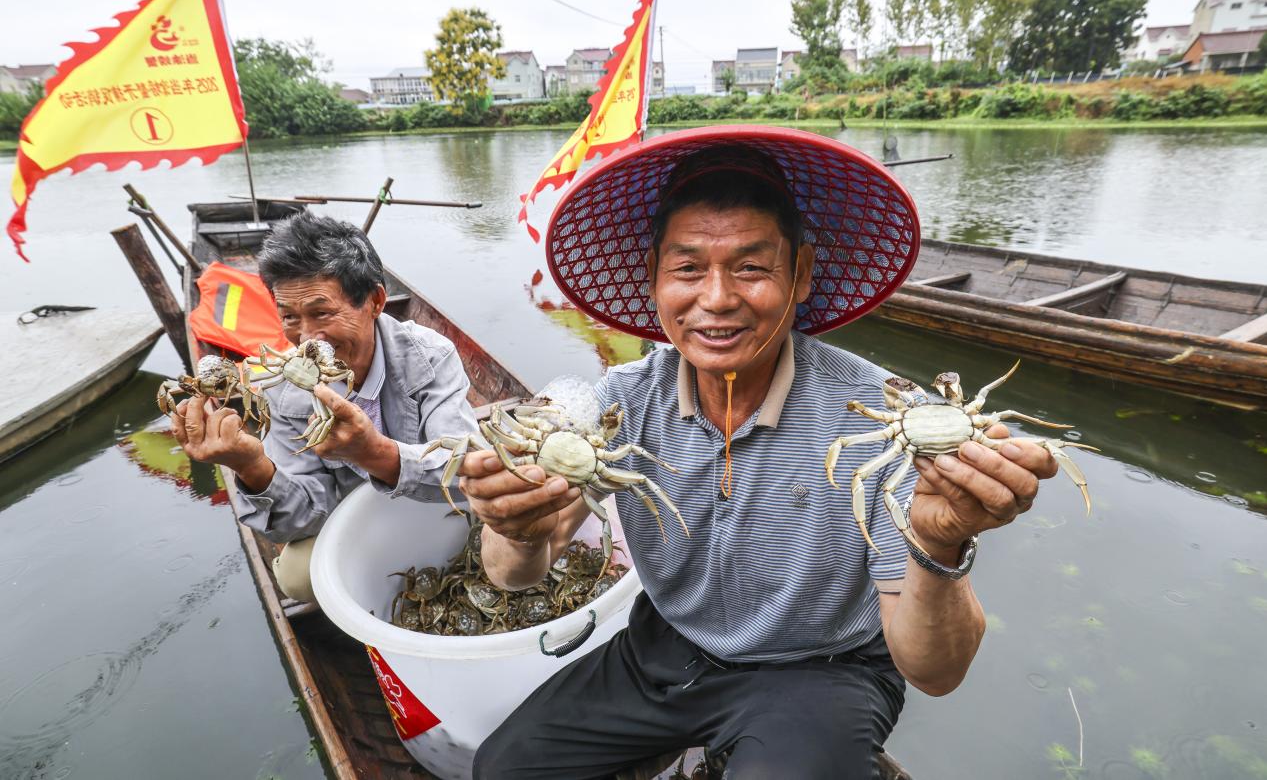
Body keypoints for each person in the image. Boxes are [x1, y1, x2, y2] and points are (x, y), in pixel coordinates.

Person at [462, 129, 1064, 779]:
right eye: (688, 268)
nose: (716, 298)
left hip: (820, 669)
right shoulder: (620, 405)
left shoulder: (888, 417)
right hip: (666, 646)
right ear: (653, 278)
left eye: (750, 267)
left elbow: (935, 672)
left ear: (800, 273)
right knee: (504, 769)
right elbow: (513, 574)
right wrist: (512, 524)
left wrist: (938, 541)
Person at [171, 212, 477, 603]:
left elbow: (467, 471)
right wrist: (251, 466)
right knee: (298, 577)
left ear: (376, 301)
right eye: (289, 317)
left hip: (433, 502)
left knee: (495, 514)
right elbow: (305, 518)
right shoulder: (280, 385)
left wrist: (375, 453)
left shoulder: (430, 356)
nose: (307, 338)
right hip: (356, 520)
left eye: (322, 313)